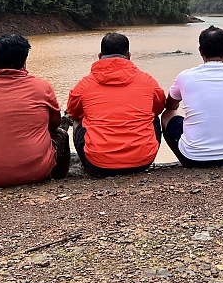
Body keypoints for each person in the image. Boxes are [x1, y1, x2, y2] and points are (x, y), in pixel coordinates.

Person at [0, 34, 70, 187]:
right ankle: (58, 182)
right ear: (25, 60)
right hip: (35, 172)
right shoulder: (42, 86)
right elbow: (55, 124)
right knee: (62, 134)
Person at [66, 32, 165, 176]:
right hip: (143, 162)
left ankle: (88, 168)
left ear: (100, 56)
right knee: (153, 118)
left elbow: (73, 112)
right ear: (129, 56)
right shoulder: (148, 81)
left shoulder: (83, 86)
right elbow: (159, 108)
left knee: (77, 122)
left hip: (98, 164)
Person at [162, 26, 223, 167]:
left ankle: (183, 161)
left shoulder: (184, 76)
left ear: (200, 51)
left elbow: (170, 106)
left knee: (166, 115)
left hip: (192, 158)